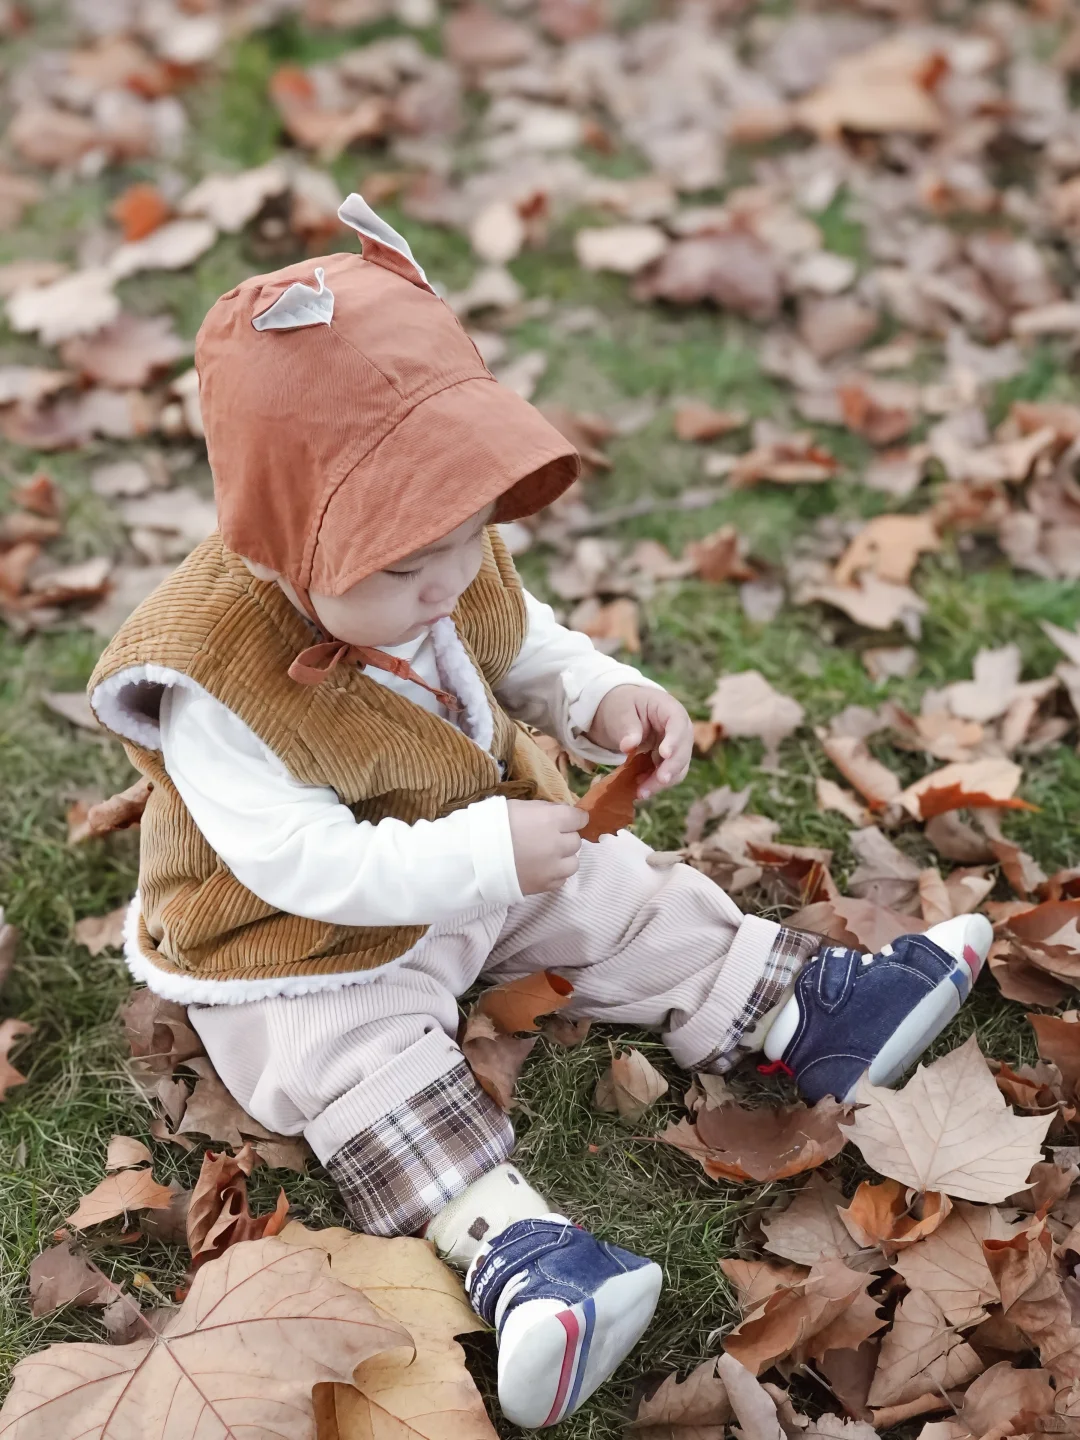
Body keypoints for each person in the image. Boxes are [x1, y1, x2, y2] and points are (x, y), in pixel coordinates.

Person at [88, 195, 992, 1430]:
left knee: (619, 895)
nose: (448, 580)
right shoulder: (211, 677)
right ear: (279, 547)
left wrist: (603, 698)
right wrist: (475, 854)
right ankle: (521, 1258)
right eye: (406, 568)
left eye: (468, 539)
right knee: (354, 1064)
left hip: (484, 858)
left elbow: (525, 646)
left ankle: (802, 1010)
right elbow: (296, 860)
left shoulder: (445, 559)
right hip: (296, 941)